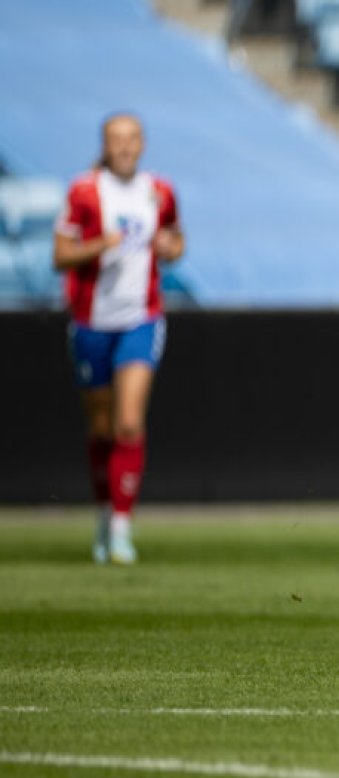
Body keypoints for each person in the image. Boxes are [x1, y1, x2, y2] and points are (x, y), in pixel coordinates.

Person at [52, 113, 183, 565]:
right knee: (102, 428)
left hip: (140, 319)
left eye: (131, 139)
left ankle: (123, 530)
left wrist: (171, 248)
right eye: (116, 140)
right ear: (105, 145)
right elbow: (60, 254)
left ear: (142, 144)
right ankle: (105, 513)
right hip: (91, 321)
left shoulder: (159, 191)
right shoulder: (83, 192)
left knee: (129, 422)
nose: (124, 147)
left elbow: (176, 239)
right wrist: (97, 246)